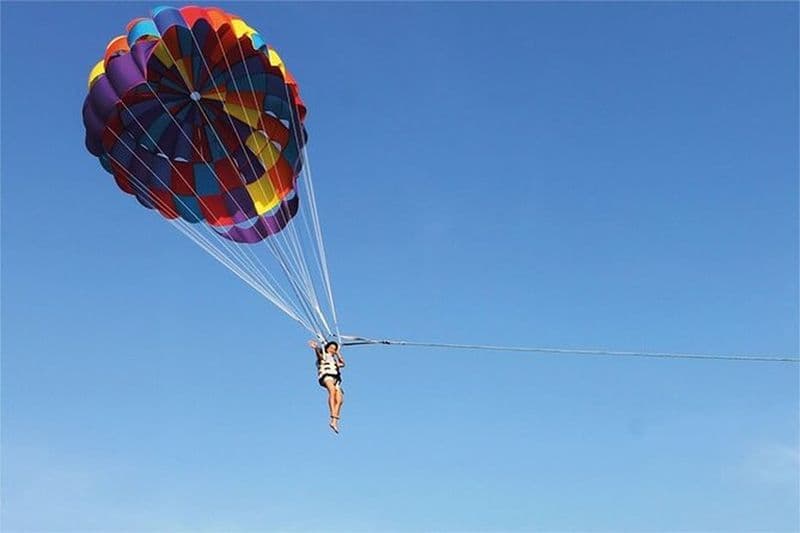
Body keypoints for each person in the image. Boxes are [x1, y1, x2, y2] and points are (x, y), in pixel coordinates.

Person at [309, 339, 345, 433]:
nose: (333, 350)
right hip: (326, 377)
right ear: (327, 348)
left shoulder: (334, 360)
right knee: (332, 391)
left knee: (340, 400)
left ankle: (334, 422)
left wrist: (337, 353)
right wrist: (316, 348)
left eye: (334, 349)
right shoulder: (324, 356)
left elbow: (343, 364)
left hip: (336, 380)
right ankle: (333, 414)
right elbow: (319, 357)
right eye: (331, 348)